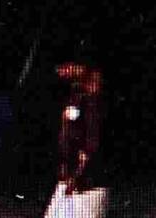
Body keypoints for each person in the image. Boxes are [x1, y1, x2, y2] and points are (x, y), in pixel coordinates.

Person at [45, 60, 108, 218]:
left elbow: (92, 141)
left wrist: (78, 174)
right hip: (73, 175)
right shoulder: (77, 96)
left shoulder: (94, 103)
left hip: (87, 182)